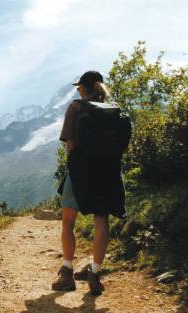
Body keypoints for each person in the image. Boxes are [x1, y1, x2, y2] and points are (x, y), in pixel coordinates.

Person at [51, 70, 127, 295]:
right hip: (108, 173)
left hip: (80, 172)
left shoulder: (76, 107)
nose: (77, 91)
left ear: (83, 88)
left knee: (68, 222)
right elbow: (122, 148)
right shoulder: (115, 110)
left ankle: (67, 273)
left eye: (78, 87)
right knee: (101, 221)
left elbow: (70, 144)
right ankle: (95, 273)